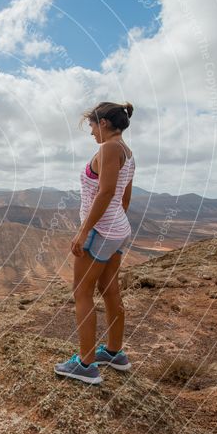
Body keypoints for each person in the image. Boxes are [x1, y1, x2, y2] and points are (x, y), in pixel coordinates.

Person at [54, 102, 136, 385]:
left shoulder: (110, 149)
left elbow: (106, 192)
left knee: (82, 292)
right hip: (118, 229)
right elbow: (124, 198)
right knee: (109, 289)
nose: (90, 133)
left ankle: (86, 364)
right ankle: (114, 353)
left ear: (103, 123)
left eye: (91, 125)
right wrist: (114, 226)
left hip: (101, 231)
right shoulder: (127, 151)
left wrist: (84, 231)